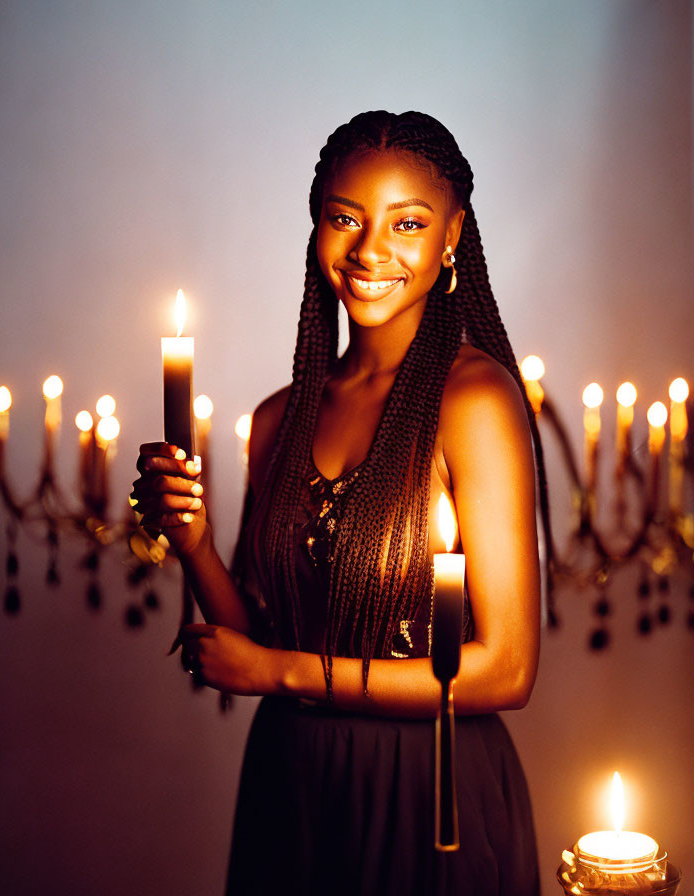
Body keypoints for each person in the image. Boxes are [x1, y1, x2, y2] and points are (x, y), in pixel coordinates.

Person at [133, 110, 548, 895]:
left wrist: (280, 673)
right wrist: (192, 545)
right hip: (291, 783)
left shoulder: (475, 402)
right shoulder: (275, 419)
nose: (369, 251)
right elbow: (253, 640)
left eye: (409, 222)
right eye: (345, 218)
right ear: (316, 224)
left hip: (430, 785)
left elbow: (507, 672)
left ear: (453, 235)